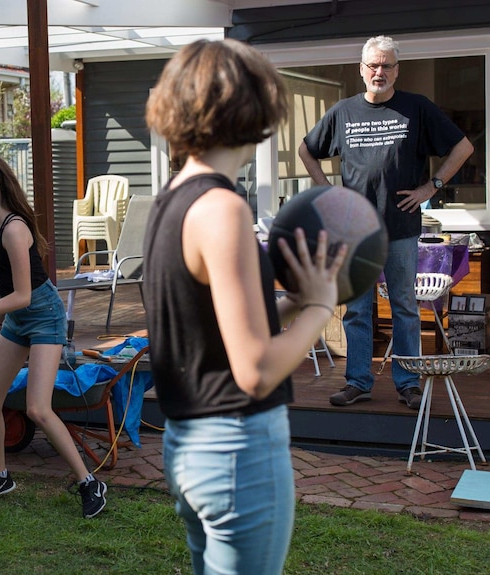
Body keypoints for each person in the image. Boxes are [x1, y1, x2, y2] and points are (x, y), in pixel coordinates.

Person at [143, 39, 346, 575]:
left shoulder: (170, 201)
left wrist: (289, 303)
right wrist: (321, 307)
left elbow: (204, 327)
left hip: (189, 446)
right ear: (252, 110)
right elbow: (254, 370)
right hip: (236, 448)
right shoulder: (224, 209)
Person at [298, 35, 474, 409]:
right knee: (358, 310)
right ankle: (358, 381)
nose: (380, 71)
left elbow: (463, 147)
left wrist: (432, 186)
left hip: (401, 227)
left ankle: (408, 384)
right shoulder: (342, 112)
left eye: (387, 65)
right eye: (373, 65)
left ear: (397, 70)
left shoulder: (417, 108)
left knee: (405, 308)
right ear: (361, 70)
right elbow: (307, 149)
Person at [0, 153, 108, 517]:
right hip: (16, 319)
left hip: (44, 317)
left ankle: (89, 483)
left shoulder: (15, 229)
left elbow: (25, 294)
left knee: (37, 408)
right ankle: (0, 476)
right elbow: (6, 288)